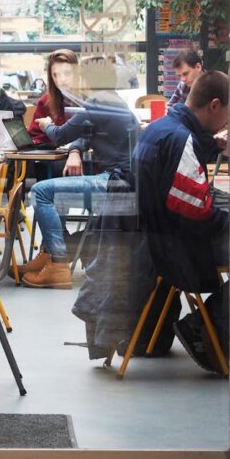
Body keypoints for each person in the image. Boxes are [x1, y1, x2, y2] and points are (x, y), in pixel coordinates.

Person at [134, 71, 230, 372]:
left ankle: (208, 326)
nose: (228, 121)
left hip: (153, 243)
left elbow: (173, 170)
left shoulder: (160, 128)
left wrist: (213, 146)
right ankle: (203, 327)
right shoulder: (181, 139)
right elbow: (196, 213)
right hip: (178, 251)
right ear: (215, 105)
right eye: (229, 113)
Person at [22, 58, 140, 289]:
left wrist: (46, 124)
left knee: (40, 191)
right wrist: (75, 150)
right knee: (52, 192)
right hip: (125, 180)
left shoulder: (97, 103)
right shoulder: (113, 101)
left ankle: (58, 264)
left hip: (114, 181)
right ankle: (50, 256)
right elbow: (84, 136)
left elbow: (60, 135)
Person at [28, 49, 79, 145]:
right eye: (56, 75)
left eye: (67, 73)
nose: (62, 79)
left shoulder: (89, 100)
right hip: (55, 157)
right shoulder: (45, 102)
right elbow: (36, 137)